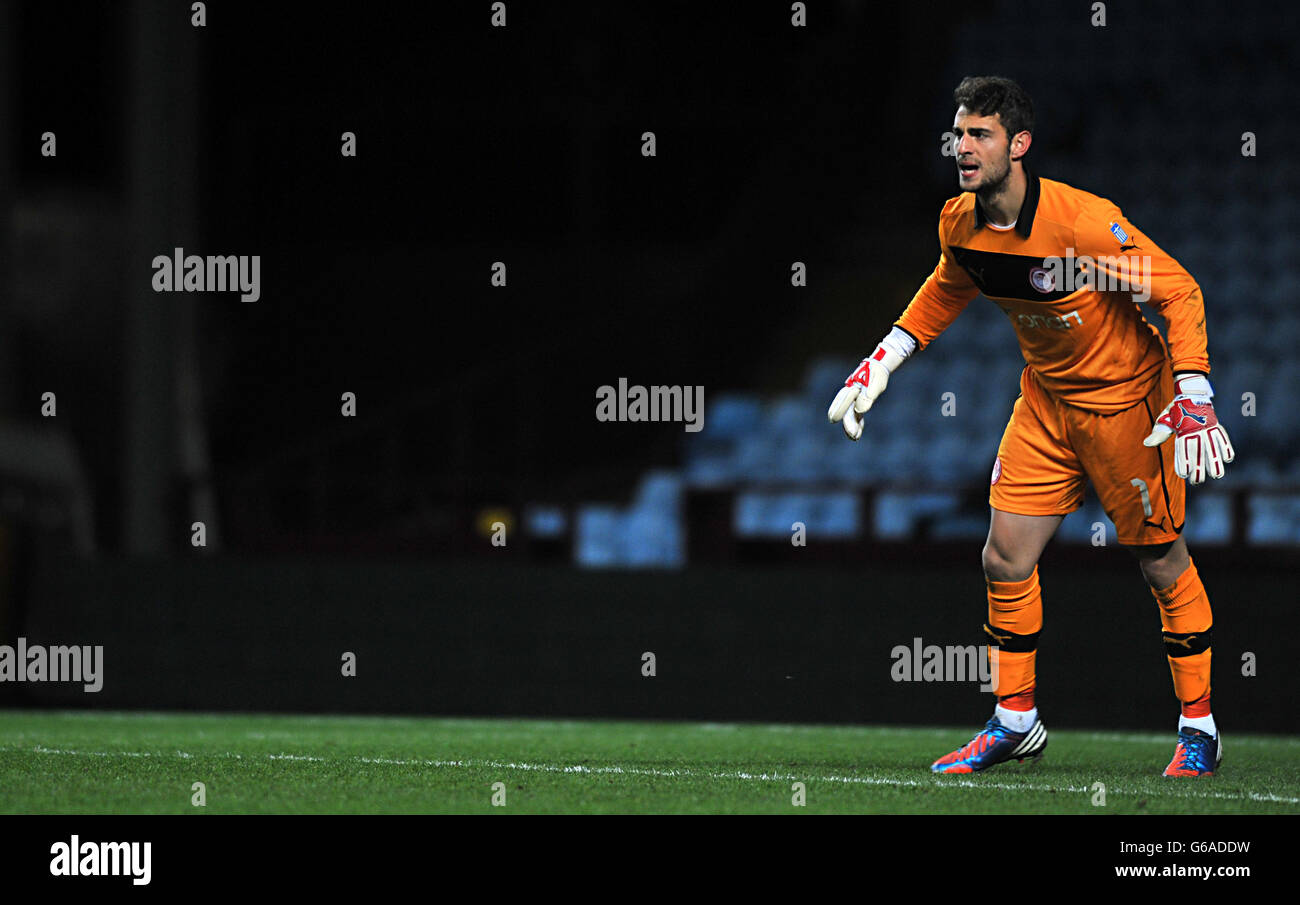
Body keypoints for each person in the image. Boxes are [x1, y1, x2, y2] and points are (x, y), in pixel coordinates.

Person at [828, 76, 1234, 776]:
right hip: (1046, 406)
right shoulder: (960, 221)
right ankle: (1016, 720)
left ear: (1019, 145)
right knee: (1003, 559)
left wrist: (1194, 388)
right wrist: (883, 360)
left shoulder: (1079, 222)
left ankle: (1200, 727)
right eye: (958, 133)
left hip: (1128, 406)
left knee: (1160, 562)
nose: (963, 146)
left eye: (980, 133)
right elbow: (948, 285)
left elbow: (1177, 288)